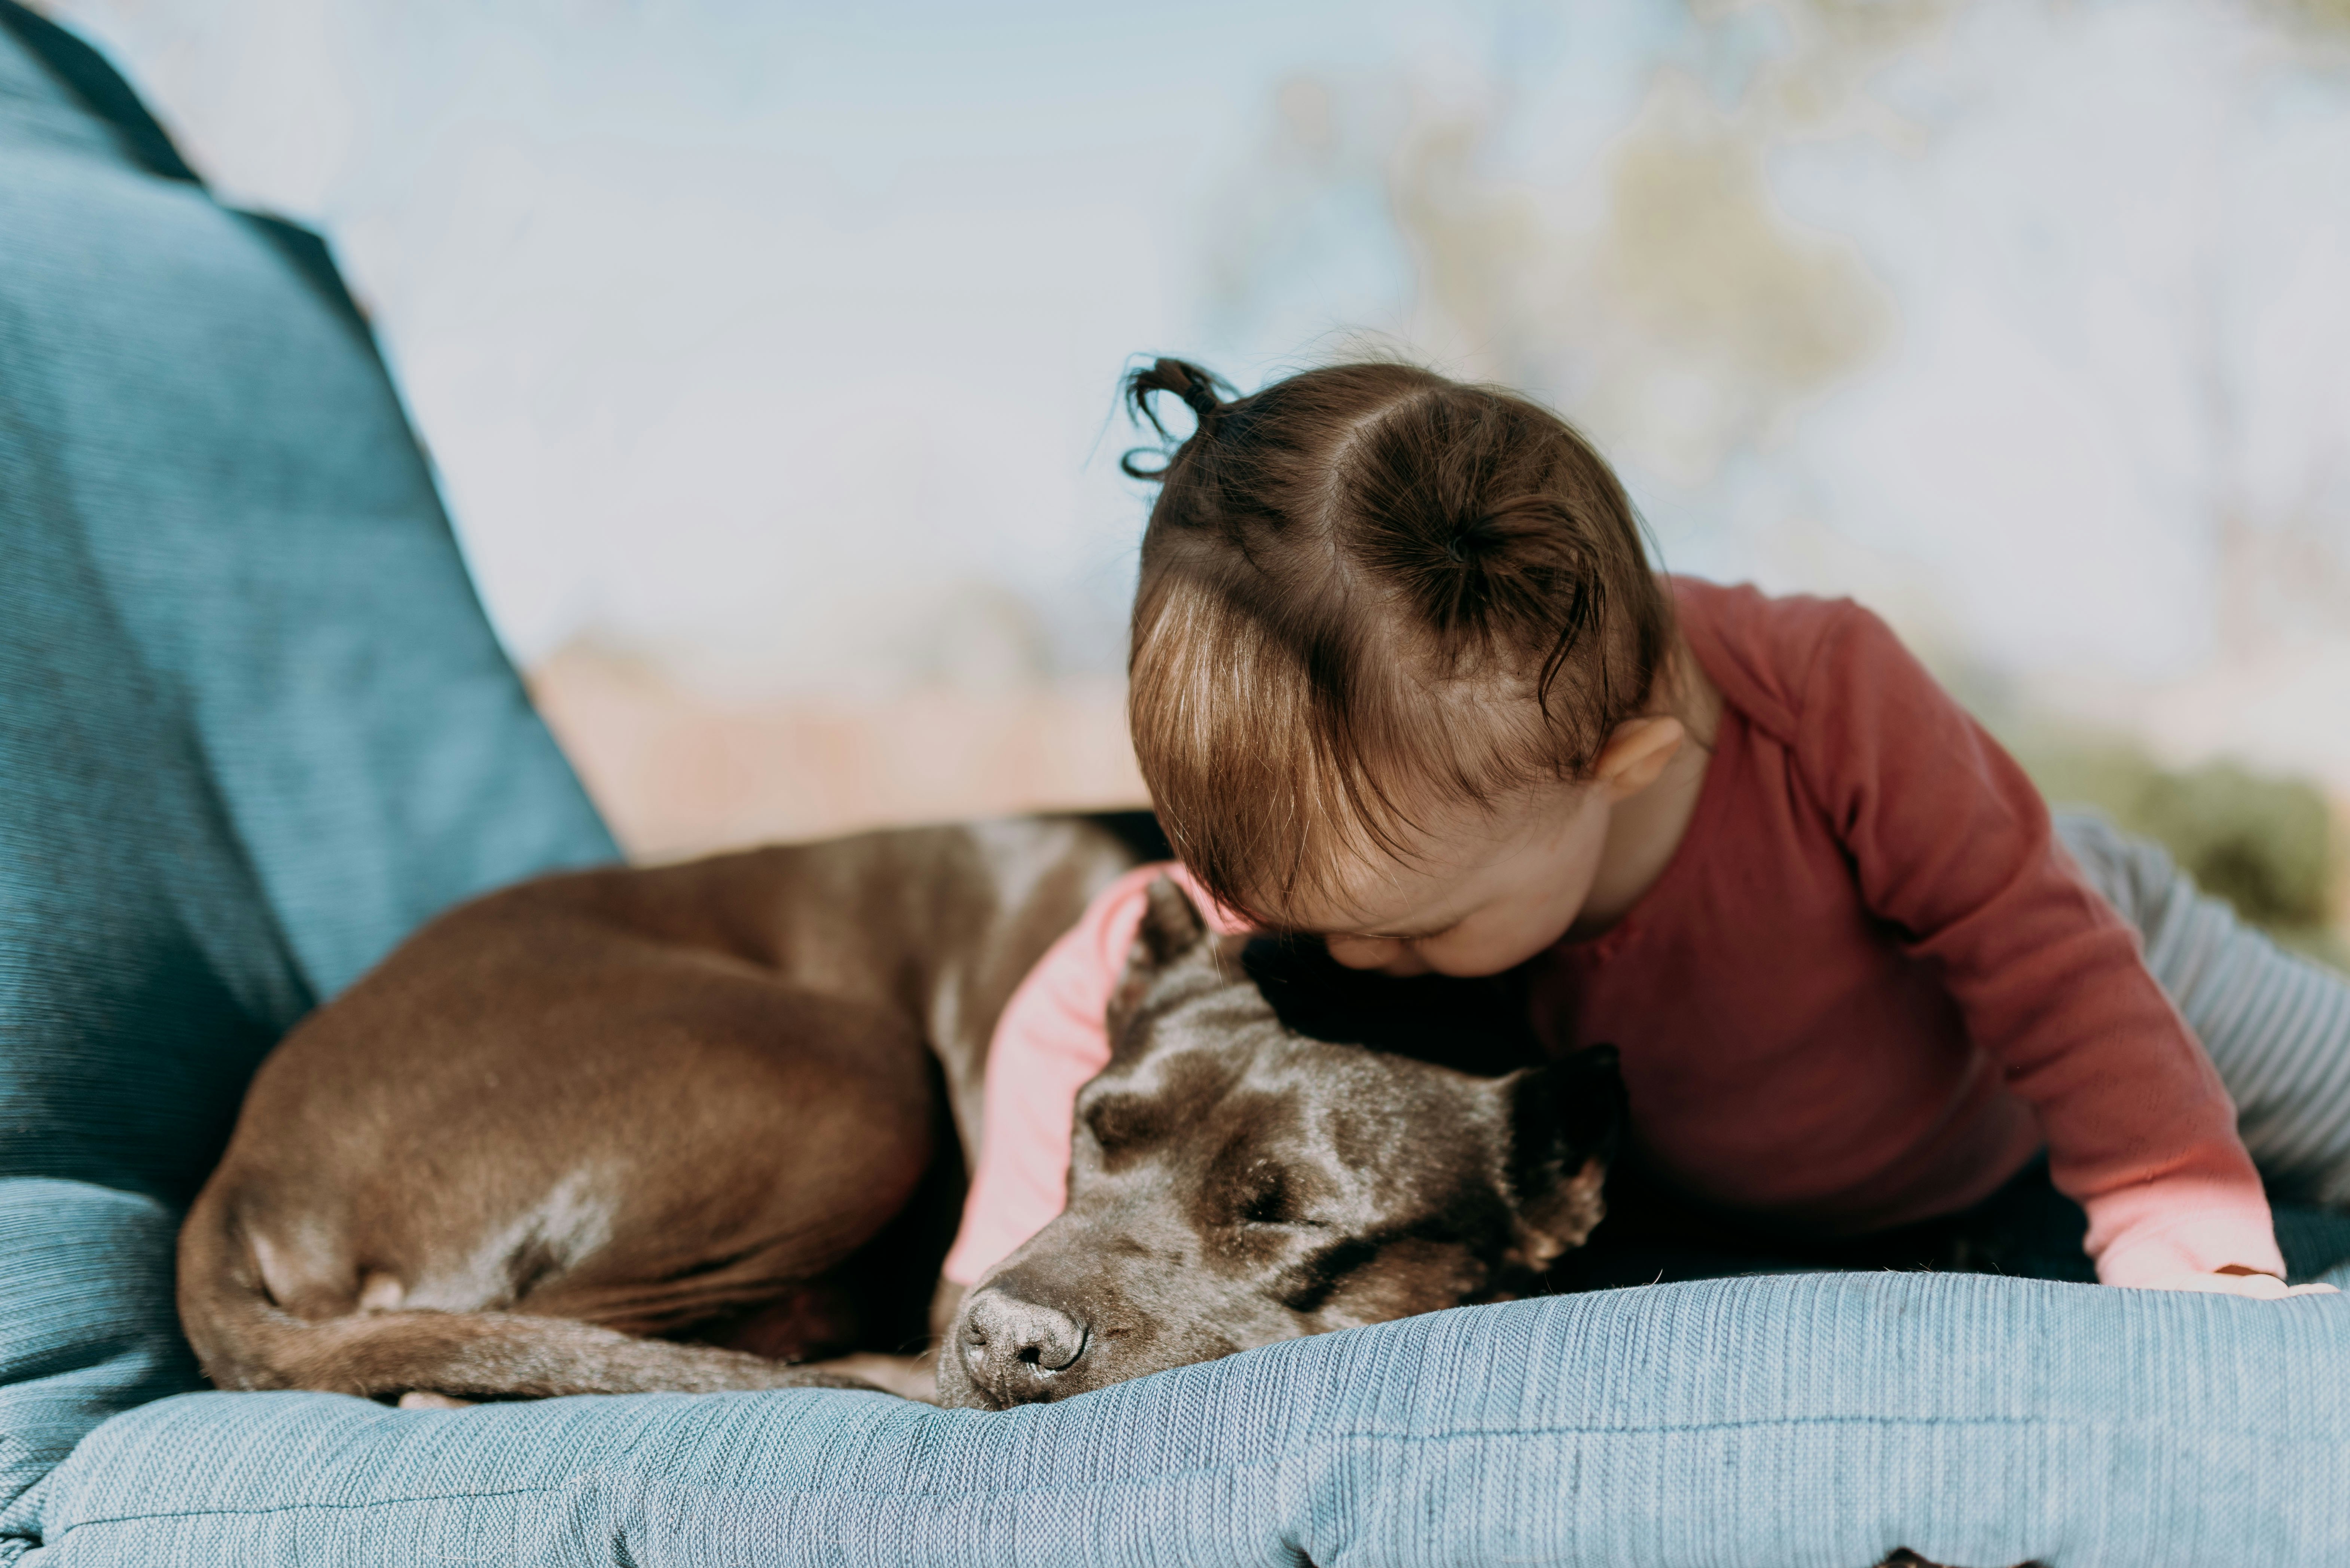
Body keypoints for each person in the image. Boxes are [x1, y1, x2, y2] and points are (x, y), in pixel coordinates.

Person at [942, 357, 2341, 1301]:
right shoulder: (1380, 836)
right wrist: (997, 1276)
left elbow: (2048, 964)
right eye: (1321, 922)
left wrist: (2179, 1224)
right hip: (1818, 1177)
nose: (1353, 961)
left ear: (1625, 763)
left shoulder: (1824, 695)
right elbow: (1100, 970)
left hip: (2093, 955)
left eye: (1420, 926)